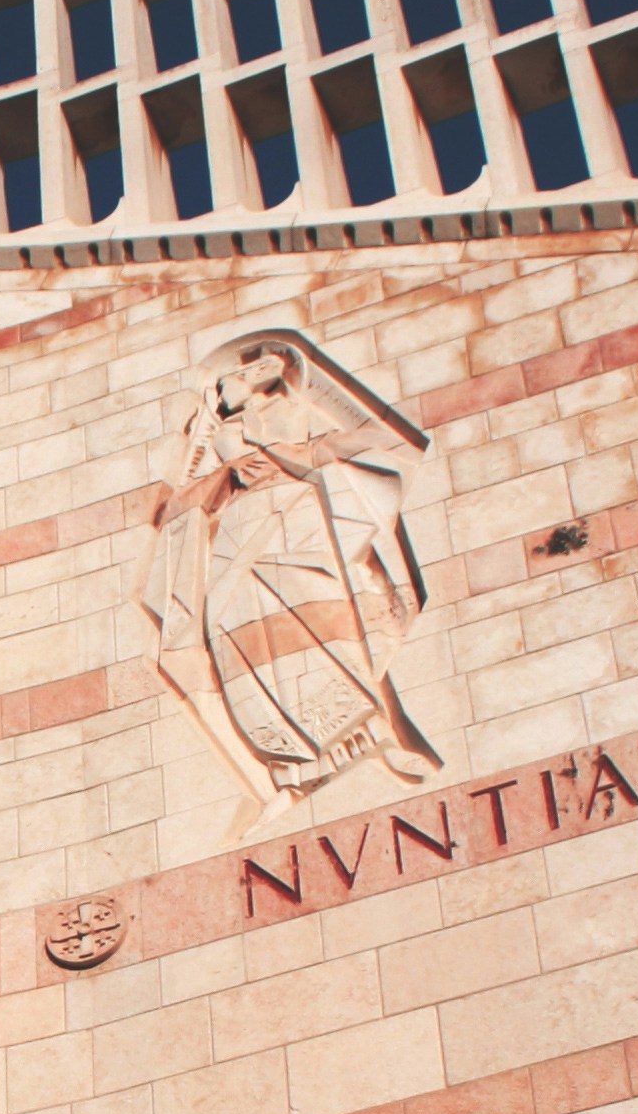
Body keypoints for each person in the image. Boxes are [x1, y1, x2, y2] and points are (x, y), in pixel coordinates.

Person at [142, 341, 436, 821]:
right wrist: (195, 440)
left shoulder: (313, 460)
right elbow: (166, 513)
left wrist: (304, 376)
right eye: (237, 415)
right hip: (240, 619)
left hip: (317, 598)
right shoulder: (212, 500)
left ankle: (378, 735)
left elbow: (395, 448)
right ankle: (281, 778)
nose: (251, 425)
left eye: (267, 404)